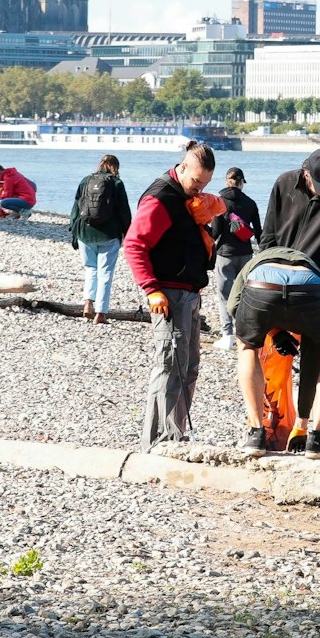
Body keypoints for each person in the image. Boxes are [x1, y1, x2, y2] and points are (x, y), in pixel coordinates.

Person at [261, 148, 320, 447]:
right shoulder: (283, 184)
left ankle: (312, 431)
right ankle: (270, 428)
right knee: (275, 353)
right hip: (278, 281)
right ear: (306, 175)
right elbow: (268, 239)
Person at [122, 141, 215, 449]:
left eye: (204, 184)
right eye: (196, 182)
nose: (198, 189)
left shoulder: (186, 199)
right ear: (183, 167)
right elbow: (134, 245)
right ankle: (158, 440)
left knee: (187, 366)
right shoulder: (160, 198)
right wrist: (151, 290)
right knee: (169, 365)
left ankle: (175, 433)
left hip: (188, 293)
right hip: (168, 295)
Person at [226, 245, 320, 458]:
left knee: (247, 345)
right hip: (308, 290)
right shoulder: (312, 268)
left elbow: (234, 308)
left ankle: (255, 434)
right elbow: (314, 352)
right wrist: (302, 422)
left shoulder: (254, 263)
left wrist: (272, 331)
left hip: (260, 286)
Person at [68, 154, 132, 324]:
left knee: (90, 268)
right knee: (105, 272)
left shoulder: (86, 180)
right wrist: (128, 233)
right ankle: (101, 314)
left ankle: (88, 303)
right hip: (109, 234)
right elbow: (124, 211)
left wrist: (74, 231)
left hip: (85, 231)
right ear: (116, 167)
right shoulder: (117, 183)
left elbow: (76, 207)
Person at [208, 167, 262, 349]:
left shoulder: (219, 202)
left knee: (225, 295)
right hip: (246, 255)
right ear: (241, 182)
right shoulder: (251, 203)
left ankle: (227, 335)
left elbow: (214, 233)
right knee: (244, 294)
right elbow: (259, 232)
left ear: (226, 181)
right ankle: (244, 332)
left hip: (225, 255)